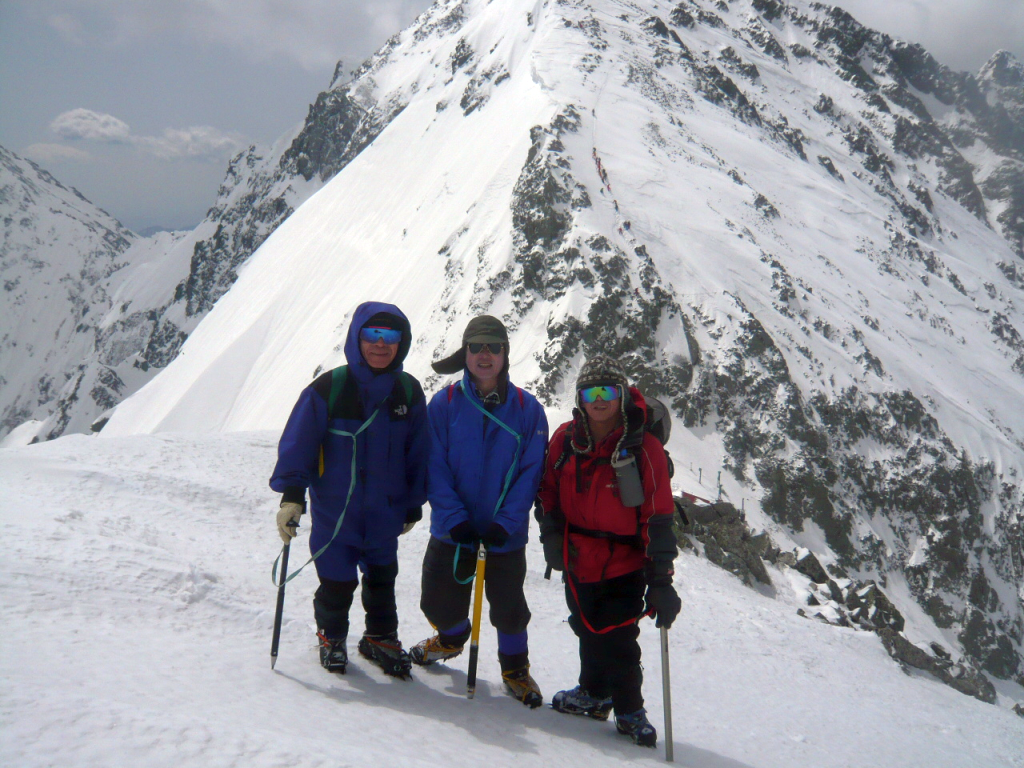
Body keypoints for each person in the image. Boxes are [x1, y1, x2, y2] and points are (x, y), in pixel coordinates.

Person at [270, 301, 429, 678]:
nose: (380, 344)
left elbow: (418, 452)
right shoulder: (329, 389)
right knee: (337, 580)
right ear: (356, 338)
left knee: (382, 577)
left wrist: (412, 503)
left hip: (384, 511)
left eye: (390, 336)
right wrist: (292, 497)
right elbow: (300, 444)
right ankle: (332, 636)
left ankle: (380, 637)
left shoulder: (407, 392)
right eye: (372, 335)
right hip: (335, 512)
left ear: (401, 343)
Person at [535, 355, 681, 747]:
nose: (598, 400)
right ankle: (594, 693)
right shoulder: (565, 439)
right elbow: (547, 489)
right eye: (590, 392)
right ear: (580, 397)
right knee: (586, 627)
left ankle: (630, 708)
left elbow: (658, 513)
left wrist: (661, 578)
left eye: (607, 392)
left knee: (617, 638)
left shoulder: (642, 446)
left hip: (624, 561)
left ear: (621, 395)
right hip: (578, 558)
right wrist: (550, 533)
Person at [409, 315, 549, 707]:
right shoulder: (444, 404)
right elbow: (434, 465)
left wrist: (506, 523)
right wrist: (454, 520)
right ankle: (452, 637)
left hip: (504, 537)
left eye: (493, 347)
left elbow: (530, 472)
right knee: (436, 602)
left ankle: (515, 668)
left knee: (509, 610)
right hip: (453, 531)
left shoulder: (528, 409)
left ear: (505, 354)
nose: (484, 355)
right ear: (465, 354)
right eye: (476, 347)